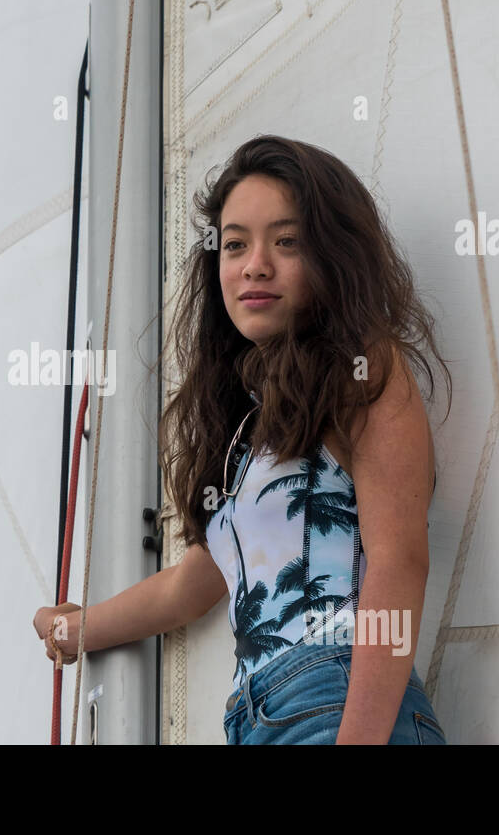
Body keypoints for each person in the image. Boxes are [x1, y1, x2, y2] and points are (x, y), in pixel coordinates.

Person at [33, 135, 454, 744]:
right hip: (254, 720)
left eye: (287, 241)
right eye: (234, 245)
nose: (255, 264)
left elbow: (399, 561)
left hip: (336, 700)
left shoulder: (362, 368)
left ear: (332, 255)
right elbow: (191, 586)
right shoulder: (253, 428)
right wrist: (78, 630)